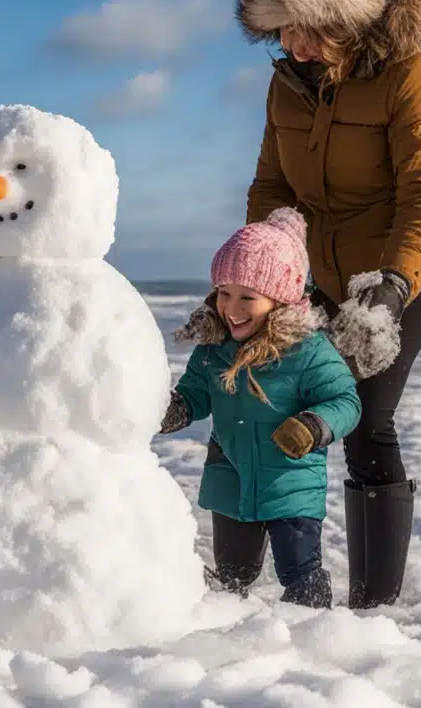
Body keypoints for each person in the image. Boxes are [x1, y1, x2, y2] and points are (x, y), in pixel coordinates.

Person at [235, 0, 421, 608]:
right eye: (286, 30)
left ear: (349, 20)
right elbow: (271, 185)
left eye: (312, 30)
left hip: (395, 268)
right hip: (312, 274)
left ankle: (374, 605)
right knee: (264, 406)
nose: (297, 47)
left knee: (366, 421)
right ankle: (254, 584)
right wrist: (260, 272)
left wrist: (392, 284)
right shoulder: (285, 83)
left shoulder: (413, 75)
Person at [161, 208, 362, 608]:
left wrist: (312, 426)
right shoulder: (214, 348)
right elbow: (195, 394)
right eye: (224, 293)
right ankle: (229, 639)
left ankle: (317, 642)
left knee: (300, 576)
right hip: (229, 476)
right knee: (232, 577)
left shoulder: (307, 350)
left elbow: (346, 402)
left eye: (247, 298)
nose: (232, 308)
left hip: (291, 484)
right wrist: (168, 410)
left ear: (279, 299)